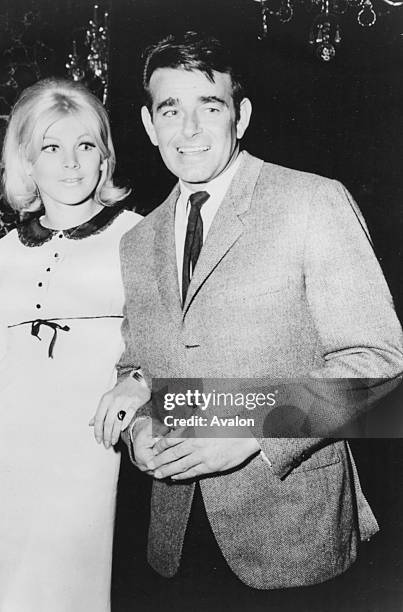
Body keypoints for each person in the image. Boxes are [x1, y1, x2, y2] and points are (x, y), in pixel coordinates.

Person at [93, 32, 403, 611]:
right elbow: (143, 363)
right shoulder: (136, 241)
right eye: (170, 110)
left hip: (293, 540)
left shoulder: (312, 202)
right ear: (147, 122)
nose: (189, 130)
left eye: (209, 107)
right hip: (174, 544)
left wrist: (249, 430)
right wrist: (137, 425)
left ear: (242, 115)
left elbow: (380, 364)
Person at [0, 77, 141, 612]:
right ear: (27, 162)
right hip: (5, 458)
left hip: (89, 458)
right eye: (51, 148)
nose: (70, 163)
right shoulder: (8, 250)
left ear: (104, 159)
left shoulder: (136, 235)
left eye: (85, 146)